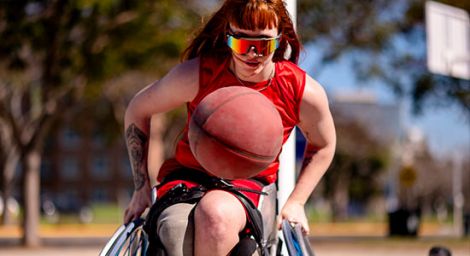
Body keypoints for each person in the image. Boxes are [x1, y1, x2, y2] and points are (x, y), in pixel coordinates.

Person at [123, 0, 336, 255]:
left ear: (280, 39)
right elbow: (138, 109)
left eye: (264, 44)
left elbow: (324, 144)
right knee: (173, 231)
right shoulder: (200, 74)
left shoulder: (299, 90)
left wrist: (297, 202)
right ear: (228, 36)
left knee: (216, 216)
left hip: (249, 182)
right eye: (242, 43)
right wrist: (141, 187)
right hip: (187, 178)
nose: (252, 53)